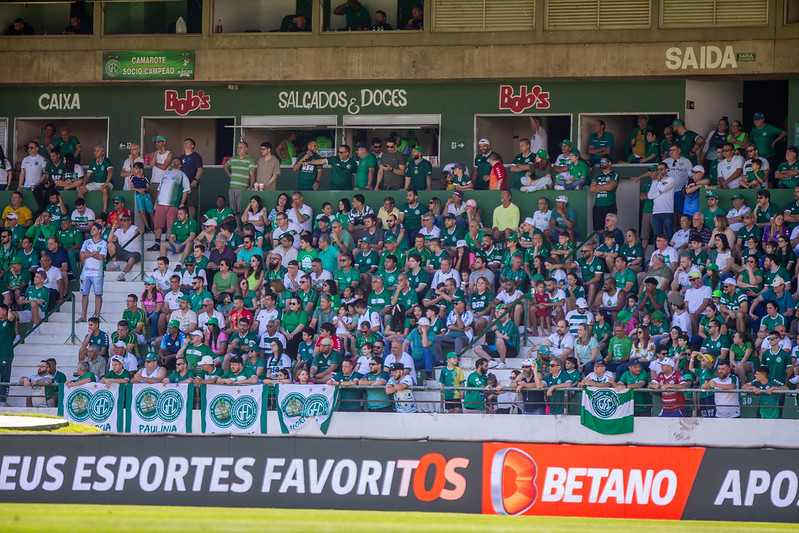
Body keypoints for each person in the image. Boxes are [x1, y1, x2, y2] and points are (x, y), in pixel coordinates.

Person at [149, 158, 190, 252]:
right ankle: (157, 243)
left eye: (177, 161)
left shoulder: (182, 175)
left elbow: (186, 190)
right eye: (174, 161)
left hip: (173, 204)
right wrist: (156, 202)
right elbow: (159, 189)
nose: (174, 162)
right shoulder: (166, 174)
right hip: (161, 203)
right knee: (158, 224)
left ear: (180, 165)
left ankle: (168, 242)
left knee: (170, 224)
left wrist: (182, 203)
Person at [77, 223, 106, 322]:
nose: (91, 230)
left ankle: (97, 316)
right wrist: (94, 253)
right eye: (91, 229)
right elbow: (82, 255)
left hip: (97, 273)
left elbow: (101, 257)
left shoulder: (103, 243)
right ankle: (83, 316)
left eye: (94, 229)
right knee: (84, 294)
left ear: (99, 231)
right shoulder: (86, 242)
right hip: (85, 272)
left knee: (98, 294)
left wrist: (88, 253)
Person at [77, 145, 114, 214]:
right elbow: (87, 175)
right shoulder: (93, 162)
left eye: (98, 151)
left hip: (107, 182)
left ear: (102, 152)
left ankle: (104, 211)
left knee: (104, 189)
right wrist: (84, 185)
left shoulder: (106, 160)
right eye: (95, 151)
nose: (95, 152)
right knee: (80, 190)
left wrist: (106, 183)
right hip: (95, 183)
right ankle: (82, 210)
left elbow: (110, 171)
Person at [224, 141, 255, 219]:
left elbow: (252, 175)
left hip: (242, 188)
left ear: (246, 149)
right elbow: (225, 166)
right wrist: (229, 174)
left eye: (241, 147)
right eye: (238, 147)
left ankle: (240, 227)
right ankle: (235, 227)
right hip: (232, 187)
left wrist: (251, 186)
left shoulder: (250, 160)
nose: (239, 149)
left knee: (240, 209)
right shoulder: (233, 158)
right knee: (232, 209)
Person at [589, 157, 619, 232]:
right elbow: (592, 189)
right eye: (601, 162)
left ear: (609, 163)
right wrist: (605, 186)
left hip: (609, 204)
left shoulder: (614, 175)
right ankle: (601, 243)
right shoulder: (597, 175)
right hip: (597, 205)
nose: (601, 163)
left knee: (610, 228)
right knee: (599, 229)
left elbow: (610, 187)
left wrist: (598, 186)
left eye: (604, 161)